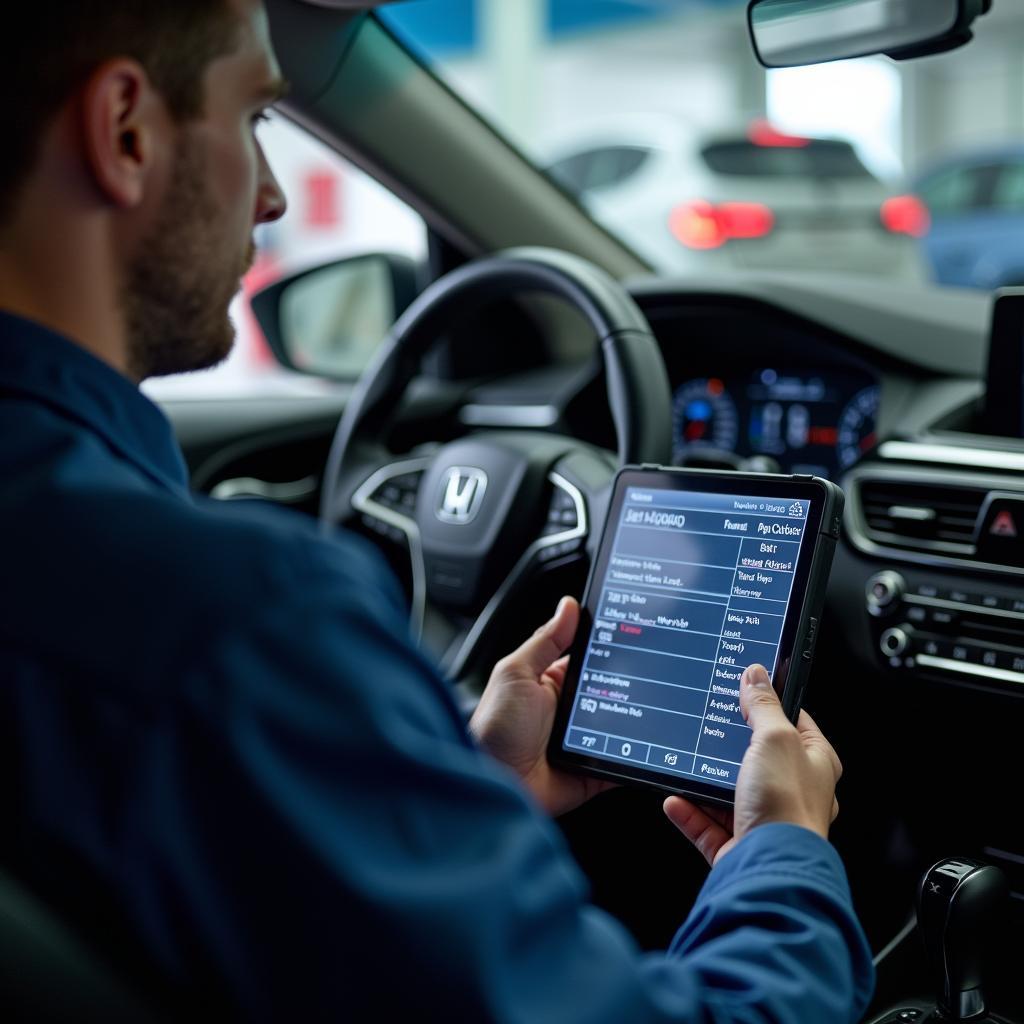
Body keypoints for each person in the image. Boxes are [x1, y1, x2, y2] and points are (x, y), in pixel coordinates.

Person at [0, 0, 874, 1020]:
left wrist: (452, 781)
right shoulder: (238, 625)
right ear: (125, 130)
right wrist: (782, 851)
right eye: (254, 119)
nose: (274, 195)